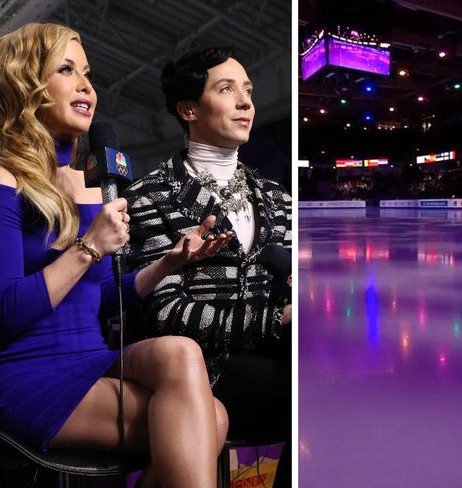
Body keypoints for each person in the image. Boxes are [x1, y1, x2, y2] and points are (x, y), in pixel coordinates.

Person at [0, 23, 233, 488]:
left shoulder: (91, 185)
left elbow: (102, 296)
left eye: (87, 72)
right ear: (26, 84)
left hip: (93, 359)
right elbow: (3, 312)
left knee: (189, 367)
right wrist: (88, 246)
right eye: (66, 70)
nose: (87, 86)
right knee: (206, 420)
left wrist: (170, 261)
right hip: (28, 375)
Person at [123, 47, 292, 485]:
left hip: (278, 357)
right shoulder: (148, 196)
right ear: (188, 109)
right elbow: (165, 314)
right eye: (226, 89)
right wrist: (274, 320)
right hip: (204, 373)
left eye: (249, 91)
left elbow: (291, 286)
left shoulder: (277, 197)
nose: (246, 102)